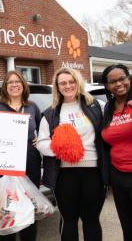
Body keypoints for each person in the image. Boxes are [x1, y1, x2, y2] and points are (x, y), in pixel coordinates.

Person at [36, 68, 108, 241]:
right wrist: (62, 147)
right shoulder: (51, 113)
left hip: (93, 172)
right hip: (64, 174)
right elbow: (41, 142)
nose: (68, 86)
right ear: (57, 86)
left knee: (91, 219)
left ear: (78, 82)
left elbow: (112, 128)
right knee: (69, 221)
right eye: (63, 83)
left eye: (71, 81)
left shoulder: (96, 105)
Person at [0, 70, 41, 241]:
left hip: (31, 164)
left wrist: (39, 141)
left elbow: (42, 130)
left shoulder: (32, 106)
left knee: (28, 209)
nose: (14, 85)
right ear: (5, 86)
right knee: (8, 211)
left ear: (23, 85)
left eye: (17, 81)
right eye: (10, 82)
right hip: (6, 166)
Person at [101, 64, 132, 241]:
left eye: (122, 79)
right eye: (113, 81)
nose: (119, 84)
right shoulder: (109, 108)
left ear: (128, 79)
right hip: (118, 175)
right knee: (127, 225)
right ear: (107, 86)